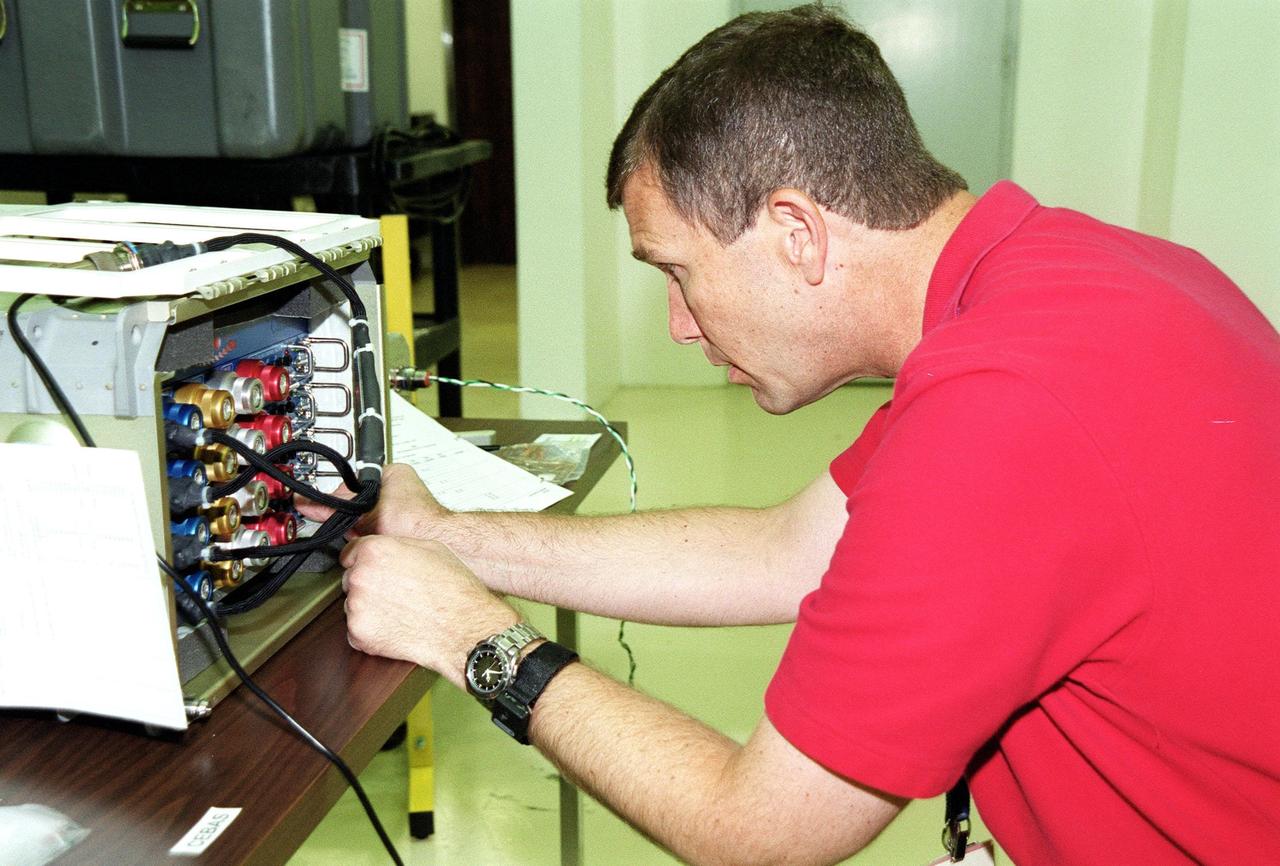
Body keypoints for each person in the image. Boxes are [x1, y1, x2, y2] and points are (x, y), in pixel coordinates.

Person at [308, 5, 1280, 863]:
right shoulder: (1062, 282)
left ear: (795, 233)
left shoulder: (1003, 408)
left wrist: (471, 634)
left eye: (676, 270)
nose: (679, 325)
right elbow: (789, 548)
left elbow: (757, 830)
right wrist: (449, 537)